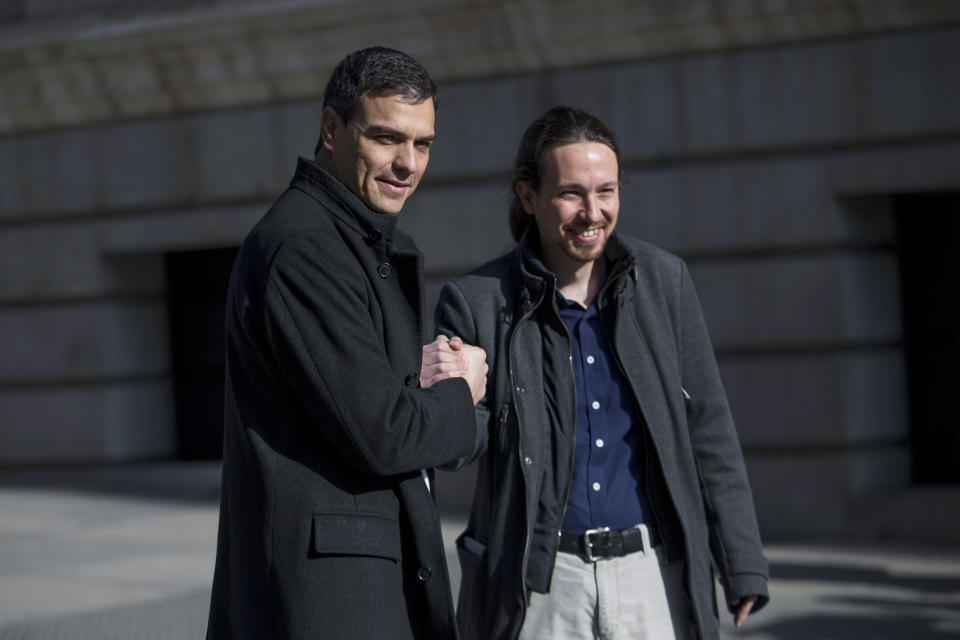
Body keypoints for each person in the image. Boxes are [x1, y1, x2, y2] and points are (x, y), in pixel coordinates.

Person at [434, 106, 770, 640]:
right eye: (571, 193)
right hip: (538, 582)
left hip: (649, 574)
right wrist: (452, 391)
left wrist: (741, 558)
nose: (592, 212)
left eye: (606, 191)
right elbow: (454, 449)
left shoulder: (664, 283)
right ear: (529, 197)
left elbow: (708, 428)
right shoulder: (478, 303)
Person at [206, 46, 488, 640]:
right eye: (387, 138)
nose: (407, 163)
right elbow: (384, 433)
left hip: (357, 588)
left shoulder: (351, 242)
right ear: (332, 129)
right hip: (327, 602)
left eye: (424, 144)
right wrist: (460, 390)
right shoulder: (306, 248)